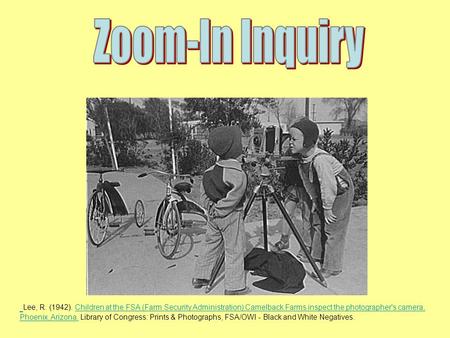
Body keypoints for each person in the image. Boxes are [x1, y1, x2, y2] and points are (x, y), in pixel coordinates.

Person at [282, 118, 354, 278]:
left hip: (340, 191)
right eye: (290, 138)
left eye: (294, 139)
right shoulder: (303, 159)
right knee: (316, 220)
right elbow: (309, 183)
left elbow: (328, 185)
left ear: (307, 141)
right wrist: (315, 201)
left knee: (333, 227)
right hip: (325, 191)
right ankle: (316, 254)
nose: (290, 142)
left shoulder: (320, 160)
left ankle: (332, 267)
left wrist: (327, 208)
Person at [192, 125, 249, 295]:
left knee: (210, 244)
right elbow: (235, 196)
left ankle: (201, 276)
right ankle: (234, 286)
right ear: (234, 149)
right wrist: (221, 209)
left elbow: (203, 194)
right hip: (230, 216)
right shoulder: (237, 173)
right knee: (234, 250)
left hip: (213, 216)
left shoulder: (209, 172)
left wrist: (211, 208)